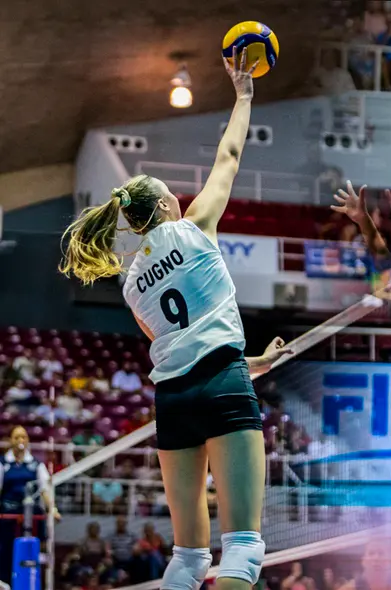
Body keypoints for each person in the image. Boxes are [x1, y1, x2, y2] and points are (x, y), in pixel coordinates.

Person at [58, 50, 292, 590]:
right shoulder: (194, 228)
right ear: (165, 208)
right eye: (172, 192)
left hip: (175, 400)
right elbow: (230, 155)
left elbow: (179, 343)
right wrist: (244, 95)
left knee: (187, 558)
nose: (179, 196)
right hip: (223, 383)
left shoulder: (132, 282)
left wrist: (259, 359)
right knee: (243, 548)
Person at [0, 426, 60, 585]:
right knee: (5, 553)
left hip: (30, 515)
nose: (20, 441)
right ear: (10, 440)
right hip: (7, 515)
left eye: (24, 437)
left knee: (31, 552)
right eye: (17, 437)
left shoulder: (36, 464)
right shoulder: (3, 463)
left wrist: (52, 509)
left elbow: (45, 490)